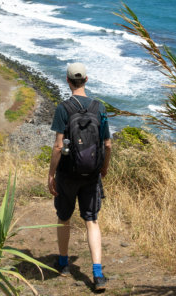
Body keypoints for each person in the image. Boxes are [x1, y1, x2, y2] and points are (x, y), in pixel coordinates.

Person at [47, 62, 112, 291]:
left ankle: (64, 264)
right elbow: (108, 144)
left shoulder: (63, 108)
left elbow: (57, 146)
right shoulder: (99, 107)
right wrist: (103, 167)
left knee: (64, 217)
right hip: (92, 174)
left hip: (67, 173)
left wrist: (51, 174)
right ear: (86, 80)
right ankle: (97, 273)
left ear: (67, 81)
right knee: (91, 221)